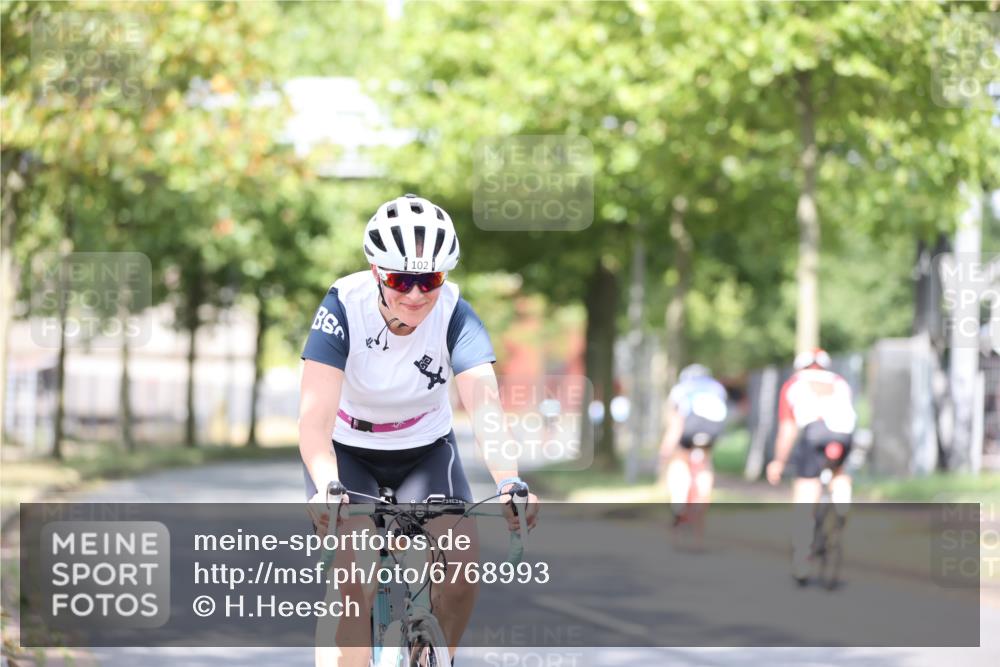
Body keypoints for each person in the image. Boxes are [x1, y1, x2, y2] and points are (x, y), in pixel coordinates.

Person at [298, 194, 539, 667]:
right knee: (358, 579)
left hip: (425, 449)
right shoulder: (342, 307)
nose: (414, 294)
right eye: (400, 280)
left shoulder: (455, 313)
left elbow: (485, 407)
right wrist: (327, 485)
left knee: (462, 571)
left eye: (428, 280)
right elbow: (314, 419)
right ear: (376, 272)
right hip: (348, 451)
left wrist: (509, 481)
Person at [766, 348, 856, 584]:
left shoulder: (794, 383)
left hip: (815, 432)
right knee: (839, 471)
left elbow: (788, 429)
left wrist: (778, 462)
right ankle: (842, 497)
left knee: (805, 492)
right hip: (844, 435)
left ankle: (801, 558)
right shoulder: (839, 381)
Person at [658, 364, 729, 524]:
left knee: (679, 461)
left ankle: (679, 502)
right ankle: (702, 501)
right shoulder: (717, 388)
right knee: (705, 464)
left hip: (689, 430)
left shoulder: (681, 389)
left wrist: (666, 448)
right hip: (712, 431)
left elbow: (676, 422)